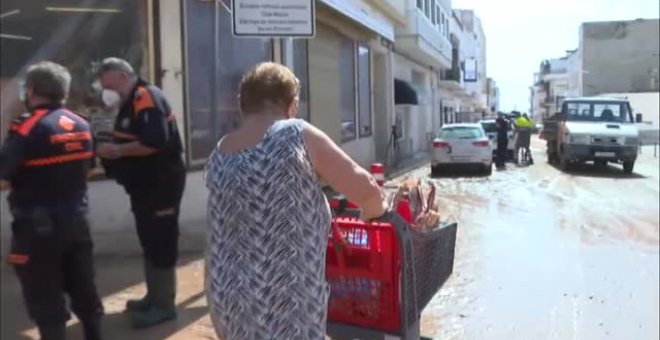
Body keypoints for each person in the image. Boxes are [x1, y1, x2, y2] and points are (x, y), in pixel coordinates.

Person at [204, 62, 388, 339]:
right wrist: (375, 213)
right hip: (286, 297)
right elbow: (365, 189)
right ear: (292, 103)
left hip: (226, 296)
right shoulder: (295, 133)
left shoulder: (220, 152)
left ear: (243, 105)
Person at [0, 61, 103, 340]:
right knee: (83, 287)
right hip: (77, 221)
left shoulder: (25, 128)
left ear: (31, 90)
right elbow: (90, 168)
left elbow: (3, 178)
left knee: (45, 296)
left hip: (37, 229)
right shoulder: (82, 124)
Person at [95, 58, 186, 328]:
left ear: (123, 76)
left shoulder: (146, 96)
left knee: (161, 240)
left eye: (109, 83)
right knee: (148, 237)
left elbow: (155, 140)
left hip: (161, 185)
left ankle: (164, 305)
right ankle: (153, 296)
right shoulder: (129, 100)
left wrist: (118, 151)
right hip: (144, 186)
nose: (106, 89)